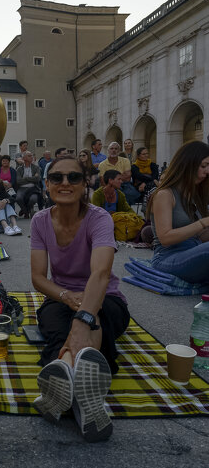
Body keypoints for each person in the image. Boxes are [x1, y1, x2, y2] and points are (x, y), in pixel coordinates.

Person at [30, 155, 130, 442]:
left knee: (92, 320)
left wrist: (84, 316)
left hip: (106, 297)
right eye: (57, 177)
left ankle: (64, 381)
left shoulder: (99, 219)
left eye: (73, 177)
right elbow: (38, 278)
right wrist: (65, 297)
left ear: (85, 184)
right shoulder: (40, 221)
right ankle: (87, 402)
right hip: (61, 297)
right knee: (57, 327)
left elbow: (100, 274)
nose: (65, 183)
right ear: (47, 184)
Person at [148, 140, 209, 284]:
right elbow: (165, 238)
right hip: (167, 257)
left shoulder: (194, 193)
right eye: (203, 166)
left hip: (194, 250)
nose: (207, 171)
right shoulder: (165, 194)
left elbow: (201, 236)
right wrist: (202, 223)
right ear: (188, 164)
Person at [15, 151, 43, 217]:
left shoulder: (36, 168)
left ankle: (25, 210)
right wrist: (32, 178)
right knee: (18, 198)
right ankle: (26, 211)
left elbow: (37, 179)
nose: (32, 157)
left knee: (33, 199)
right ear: (24, 158)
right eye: (29, 156)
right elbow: (18, 181)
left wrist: (25, 178)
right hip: (22, 188)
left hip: (33, 188)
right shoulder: (19, 169)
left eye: (32, 155)